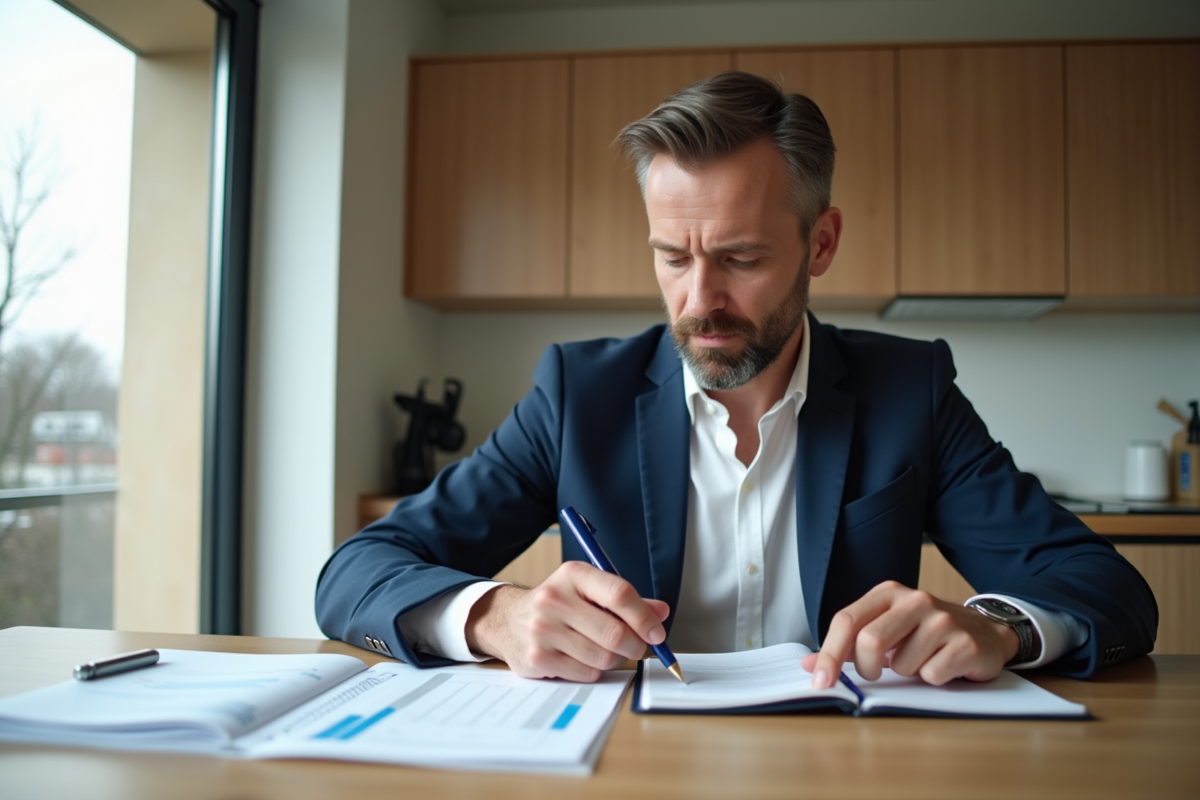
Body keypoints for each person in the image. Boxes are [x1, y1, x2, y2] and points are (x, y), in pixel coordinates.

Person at [315, 72, 1156, 688]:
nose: (699, 302)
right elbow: (357, 571)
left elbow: (1108, 590)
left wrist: (998, 627)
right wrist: (495, 617)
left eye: (741, 259)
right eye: (672, 258)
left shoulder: (912, 390)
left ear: (820, 244)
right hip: (630, 768)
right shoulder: (579, 395)